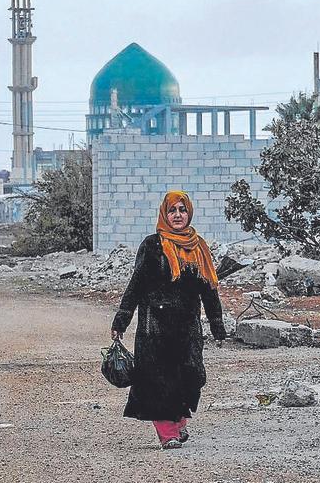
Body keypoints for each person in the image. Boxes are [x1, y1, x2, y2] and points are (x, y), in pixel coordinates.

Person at [110, 190, 227, 450]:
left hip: (187, 328)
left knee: (192, 377)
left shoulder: (199, 247)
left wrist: (217, 325)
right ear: (165, 213)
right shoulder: (152, 245)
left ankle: (180, 421)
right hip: (155, 329)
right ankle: (168, 433)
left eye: (182, 210)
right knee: (159, 381)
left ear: (189, 213)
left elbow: (209, 289)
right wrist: (121, 321)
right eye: (172, 210)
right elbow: (136, 285)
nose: (177, 215)